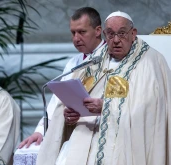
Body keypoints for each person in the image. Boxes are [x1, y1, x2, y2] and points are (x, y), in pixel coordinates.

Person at [36, 11, 171, 165]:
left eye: (122, 33)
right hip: (86, 137)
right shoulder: (96, 60)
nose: (116, 40)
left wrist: (106, 107)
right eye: (110, 34)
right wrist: (71, 116)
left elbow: (152, 110)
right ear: (104, 34)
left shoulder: (151, 62)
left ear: (133, 34)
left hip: (125, 142)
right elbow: (74, 101)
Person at [13, 7, 105, 164]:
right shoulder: (73, 63)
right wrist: (40, 131)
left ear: (98, 31)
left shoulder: (111, 60)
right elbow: (57, 102)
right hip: (70, 129)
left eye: (82, 32)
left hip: (98, 130)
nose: (76, 38)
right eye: (73, 33)